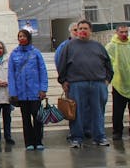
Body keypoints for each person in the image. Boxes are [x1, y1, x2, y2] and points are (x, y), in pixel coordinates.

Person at [57, 19, 113, 148]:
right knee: (76, 113)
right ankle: (76, 138)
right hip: (76, 84)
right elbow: (62, 65)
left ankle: (100, 137)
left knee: (98, 112)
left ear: (90, 31)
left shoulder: (98, 46)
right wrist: (63, 81)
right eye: (80, 28)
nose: (82, 31)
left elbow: (108, 64)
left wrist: (107, 79)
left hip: (97, 84)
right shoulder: (69, 46)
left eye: (85, 28)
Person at [8, 28, 48, 151]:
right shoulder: (14, 54)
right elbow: (11, 74)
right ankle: (29, 142)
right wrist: (13, 92)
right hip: (21, 93)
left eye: (24, 36)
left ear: (28, 38)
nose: (21, 38)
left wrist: (43, 89)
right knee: (25, 119)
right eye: (19, 36)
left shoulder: (36, 53)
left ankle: (38, 141)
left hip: (35, 92)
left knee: (37, 118)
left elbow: (43, 71)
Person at [106, 23, 130, 140]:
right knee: (118, 111)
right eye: (122, 32)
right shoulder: (111, 46)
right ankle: (117, 131)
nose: (124, 34)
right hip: (118, 83)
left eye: (126, 32)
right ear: (117, 33)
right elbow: (107, 62)